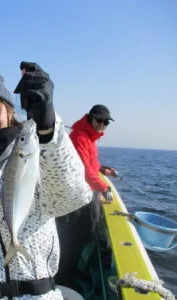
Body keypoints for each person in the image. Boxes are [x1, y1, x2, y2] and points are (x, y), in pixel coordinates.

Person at [0, 62, 92, 299]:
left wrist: (49, 130)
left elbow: (70, 199)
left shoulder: (40, 156)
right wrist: (4, 195)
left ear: (9, 110)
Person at [55, 104, 118, 289]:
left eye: (106, 122)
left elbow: (89, 163)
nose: (102, 125)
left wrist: (102, 169)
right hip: (75, 195)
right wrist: (103, 187)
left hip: (85, 192)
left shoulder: (89, 137)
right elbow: (82, 168)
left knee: (84, 234)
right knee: (72, 237)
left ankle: (72, 270)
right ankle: (62, 277)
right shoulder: (79, 136)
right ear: (90, 118)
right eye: (99, 120)